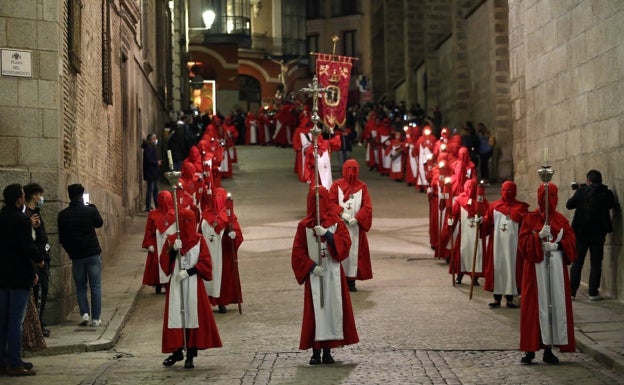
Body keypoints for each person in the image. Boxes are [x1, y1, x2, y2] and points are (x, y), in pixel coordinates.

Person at [291, 186, 358, 365]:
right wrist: (311, 267)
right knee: (316, 312)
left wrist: (328, 234)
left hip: (332, 272)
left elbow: (345, 243)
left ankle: (328, 351)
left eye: (322, 199)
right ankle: (315, 351)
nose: (319, 204)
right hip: (315, 275)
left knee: (331, 309)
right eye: (315, 200)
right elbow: (298, 253)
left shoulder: (336, 222)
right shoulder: (304, 226)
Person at [518, 182, 576, 365]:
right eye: (545, 198)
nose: (548, 202)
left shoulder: (561, 221)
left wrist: (558, 246)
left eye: (551, 197)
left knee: (554, 306)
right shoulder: (530, 219)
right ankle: (530, 349)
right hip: (535, 272)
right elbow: (522, 246)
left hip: (556, 270)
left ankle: (549, 348)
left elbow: (572, 245)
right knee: (534, 308)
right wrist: (538, 237)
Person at [161, 207, 222, 369]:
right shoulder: (172, 240)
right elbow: (165, 264)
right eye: (183, 221)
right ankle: (176, 351)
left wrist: (189, 271)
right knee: (177, 316)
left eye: (189, 221)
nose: (186, 224)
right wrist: (173, 250)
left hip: (193, 284)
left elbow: (206, 263)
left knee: (192, 317)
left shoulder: (200, 240)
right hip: (176, 284)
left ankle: (191, 354)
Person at [0, 183, 43, 376]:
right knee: (16, 321)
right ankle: (15, 363)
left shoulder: (1, 218)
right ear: (19, 198)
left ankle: (3, 361)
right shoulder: (21, 220)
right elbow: (27, 248)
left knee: (3, 320)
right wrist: (39, 261)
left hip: (2, 277)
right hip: (18, 278)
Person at [58, 184, 104, 327]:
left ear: (69, 196)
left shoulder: (63, 215)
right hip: (92, 253)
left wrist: (71, 251)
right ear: (81, 195)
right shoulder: (89, 211)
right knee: (95, 286)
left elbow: (62, 239)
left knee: (80, 286)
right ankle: (96, 318)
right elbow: (99, 223)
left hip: (77, 256)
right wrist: (93, 207)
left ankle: (85, 313)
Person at [566, 170, 615, 301]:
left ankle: (571, 292)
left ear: (588, 181)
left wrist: (581, 190)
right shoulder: (607, 193)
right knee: (596, 263)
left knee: (577, 263)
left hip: (581, 233)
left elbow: (569, 205)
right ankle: (593, 293)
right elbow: (611, 205)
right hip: (598, 234)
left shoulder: (582, 192)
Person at [481, 181, 529, 308]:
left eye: (509, 190)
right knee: (498, 268)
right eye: (504, 190)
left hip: (513, 246)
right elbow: (488, 223)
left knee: (511, 270)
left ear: (515, 191)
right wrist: (481, 223)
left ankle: (509, 299)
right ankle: (496, 299)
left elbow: (525, 226)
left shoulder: (521, 208)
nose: (506, 193)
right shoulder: (494, 207)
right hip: (497, 244)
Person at [329, 159, 373, 292]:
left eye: (354, 169)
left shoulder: (362, 187)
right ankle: (340, 280)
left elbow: (367, 206)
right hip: (340, 225)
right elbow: (330, 203)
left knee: (354, 253)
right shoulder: (336, 186)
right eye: (349, 169)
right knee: (341, 251)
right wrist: (342, 214)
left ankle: (351, 281)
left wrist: (358, 218)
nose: (351, 173)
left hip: (355, 227)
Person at [199, 187, 243, 313]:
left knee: (222, 277)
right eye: (214, 197)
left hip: (223, 254)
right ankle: (206, 301)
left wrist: (233, 236)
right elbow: (198, 233)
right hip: (207, 253)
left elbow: (238, 234)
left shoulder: (229, 216)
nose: (216, 200)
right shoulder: (205, 215)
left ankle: (221, 302)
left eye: (219, 197)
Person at [23, 183, 51, 337]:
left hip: (43, 257)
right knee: (39, 292)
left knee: (43, 292)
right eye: (40, 195)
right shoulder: (27, 215)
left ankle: (39, 321)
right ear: (34, 196)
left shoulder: (36, 212)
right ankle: (37, 326)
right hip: (37, 260)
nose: (41, 198)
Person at [142, 190, 176, 294]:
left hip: (171, 244)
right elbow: (149, 230)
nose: (164, 201)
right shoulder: (153, 214)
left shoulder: (175, 214)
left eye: (166, 198)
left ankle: (169, 284)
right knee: (157, 264)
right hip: (158, 243)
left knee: (171, 263)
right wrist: (149, 244)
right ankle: (158, 284)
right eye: (162, 199)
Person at [142, 133, 162, 212]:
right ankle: (148, 206)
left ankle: (157, 206)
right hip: (150, 172)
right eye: (154, 138)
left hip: (153, 173)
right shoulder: (149, 148)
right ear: (151, 139)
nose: (155, 140)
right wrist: (156, 163)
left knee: (155, 190)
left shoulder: (151, 147)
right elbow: (148, 159)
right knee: (150, 189)